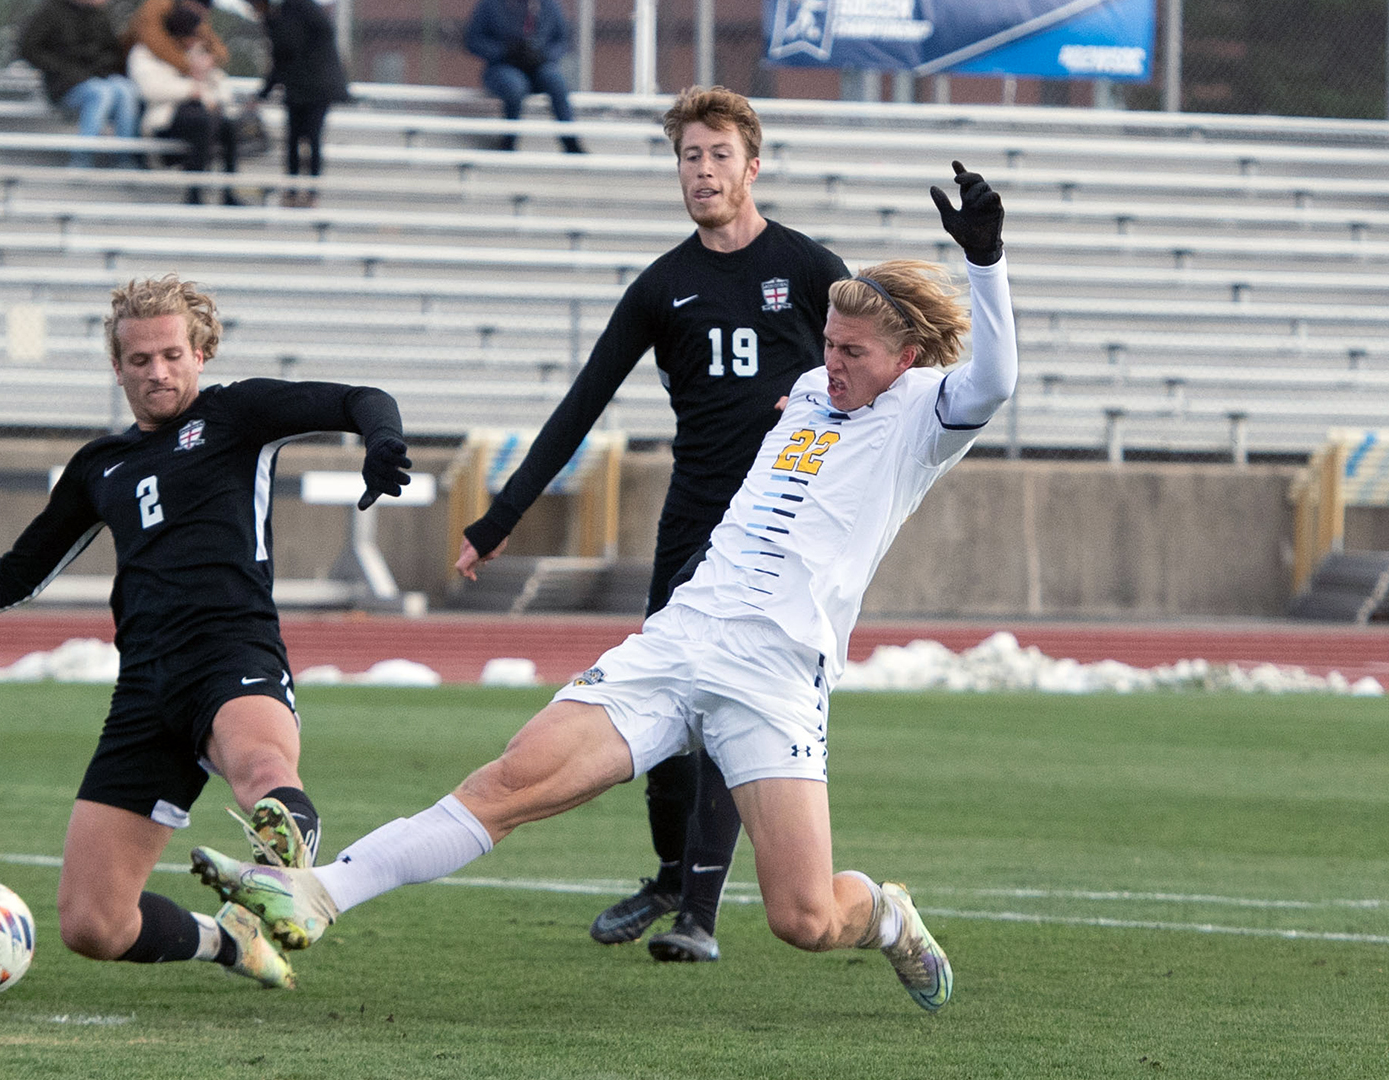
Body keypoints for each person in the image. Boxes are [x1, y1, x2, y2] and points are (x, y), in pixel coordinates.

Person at [190, 161, 1013, 1013]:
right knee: (510, 783)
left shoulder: (924, 413)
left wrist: (986, 262)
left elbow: (995, 381)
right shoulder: (809, 388)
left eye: (852, 352)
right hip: (681, 640)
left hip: (775, 674)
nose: (830, 361)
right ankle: (320, 894)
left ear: (907, 358)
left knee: (804, 918)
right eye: (829, 343)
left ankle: (885, 914)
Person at [0, 275, 413, 991]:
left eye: (172, 355)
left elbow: (358, 400)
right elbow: (16, 574)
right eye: (139, 360)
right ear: (116, 367)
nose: (158, 371)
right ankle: (232, 942)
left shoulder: (237, 415)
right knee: (92, 924)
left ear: (202, 352)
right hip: (144, 691)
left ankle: (289, 875)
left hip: (232, 654)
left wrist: (383, 441)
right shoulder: (101, 467)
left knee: (263, 777)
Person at [457, 86, 848, 964]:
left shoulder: (813, 268)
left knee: (728, 705)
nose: (702, 171)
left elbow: (880, 359)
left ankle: (698, 915)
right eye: (687, 156)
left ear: (754, 164)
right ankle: (675, 873)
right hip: (694, 526)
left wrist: (830, 398)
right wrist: (500, 516)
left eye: (718, 155)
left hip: (785, 535)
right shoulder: (663, 286)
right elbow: (581, 404)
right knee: (665, 717)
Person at [130, 0, 245, 204]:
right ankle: (194, 193)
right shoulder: (145, 53)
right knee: (203, 122)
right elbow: (152, 89)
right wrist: (193, 89)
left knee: (227, 125)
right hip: (165, 119)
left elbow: (221, 88)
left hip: (199, 117)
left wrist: (203, 75)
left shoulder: (194, 53)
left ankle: (228, 193)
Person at [19, 0, 142, 169]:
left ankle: (125, 158)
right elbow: (29, 48)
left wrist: (105, 67)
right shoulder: (51, 12)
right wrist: (62, 69)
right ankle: (82, 159)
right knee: (101, 93)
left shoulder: (98, 16)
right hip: (65, 83)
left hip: (99, 77)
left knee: (127, 90)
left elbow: (111, 51)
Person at [252, 0, 350, 208]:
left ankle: (301, 192)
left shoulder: (289, 13)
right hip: (309, 87)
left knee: (304, 139)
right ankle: (301, 191)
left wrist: (263, 94)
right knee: (305, 139)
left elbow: (283, 54)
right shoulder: (301, 10)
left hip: (311, 87)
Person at [464, 0, 584, 153]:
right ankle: (509, 139)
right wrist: (505, 51)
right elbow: (473, 40)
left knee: (556, 81)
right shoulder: (491, 5)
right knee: (514, 85)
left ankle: (570, 140)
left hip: (539, 66)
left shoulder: (549, 5)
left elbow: (561, 40)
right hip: (503, 66)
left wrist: (543, 56)